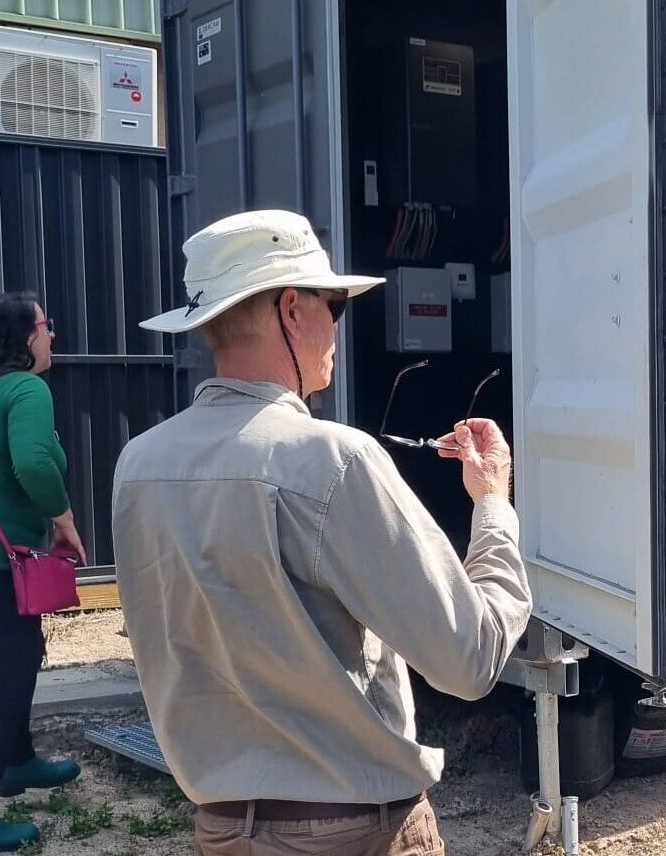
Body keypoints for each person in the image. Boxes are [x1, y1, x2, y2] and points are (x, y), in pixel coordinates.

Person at [112, 210, 532, 856]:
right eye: (333, 305)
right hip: (355, 832)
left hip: (222, 831)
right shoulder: (334, 462)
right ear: (291, 310)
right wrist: (493, 504)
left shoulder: (138, 467)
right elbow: (470, 657)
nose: (338, 325)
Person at [0, 293, 87, 854]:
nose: (52, 334)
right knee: (5, 684)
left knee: (19, 657)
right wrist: (64, 519)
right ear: (23, 335)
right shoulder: (25, 389)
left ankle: (17, 761)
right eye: (46, 324)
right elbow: (33, 461)